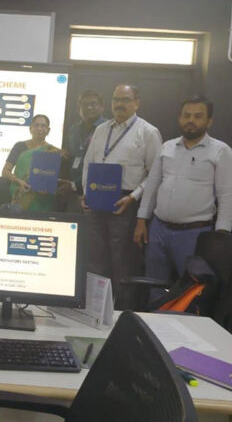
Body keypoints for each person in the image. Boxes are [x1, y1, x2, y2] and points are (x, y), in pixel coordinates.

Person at [135, 95, 232, 282]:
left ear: (209, 121)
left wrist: (220, 236)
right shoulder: (167, 147)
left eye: (198, 116)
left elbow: (228, 196)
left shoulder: (221, 151)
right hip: (158, 229)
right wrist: (142, 220)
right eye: (186, 115)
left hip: (193, 234)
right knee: (153, 284)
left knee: (190, 289)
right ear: (179, 118)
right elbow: (152, 186)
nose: (191, 120)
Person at [82, 84, 162, 309]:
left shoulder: (148, 132)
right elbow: (88, 163)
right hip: (97, 201)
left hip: (126, 203)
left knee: (123, 263)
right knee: (95, 260)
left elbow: (155, 174)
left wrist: (134, 196)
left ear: (137, 103)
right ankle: (95, 312)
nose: (119, 104)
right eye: (116, 99)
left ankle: (121, 315)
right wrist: (86, 193)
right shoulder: (101, 130)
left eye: (125, 100)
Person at [1, 114, 60, 212]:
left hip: (42, 201)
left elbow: (51, 178)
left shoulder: (52, 151)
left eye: (43, 126)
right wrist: (19, 181)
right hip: (21, 195)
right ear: (30, 128)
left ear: (48, 130)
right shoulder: (19, 146)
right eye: (36, 125)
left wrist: (46, 188)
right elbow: (5, 172)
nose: (39, 128)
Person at [63, 90, 106, 212]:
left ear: (102, 107)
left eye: (93, 104)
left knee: (93, 222)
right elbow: (72, 155)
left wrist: (74, 185)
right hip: (72, 191)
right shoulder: (73, 130)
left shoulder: (108, 129)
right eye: (84, 104)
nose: (89, 107)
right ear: (79, 109)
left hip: (97, 189)